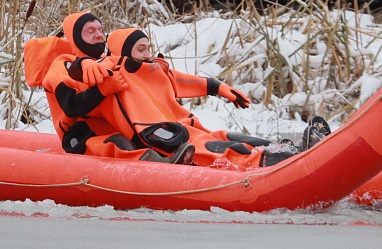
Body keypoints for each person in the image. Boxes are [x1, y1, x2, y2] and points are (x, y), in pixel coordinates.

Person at [89, 28, 330, 168]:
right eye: (141, 49)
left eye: (148, 48)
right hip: (165, 140)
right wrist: (84, 64)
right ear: (121, 50)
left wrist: (219, 88)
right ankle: (294, 163)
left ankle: (297, 148)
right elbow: (71, 74)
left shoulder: (153, 69)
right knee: (232, 149)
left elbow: (182, 80)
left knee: (232, 137)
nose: (148, 54)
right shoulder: (108, 70)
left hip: (188, 129)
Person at [23, 12, 194, 164]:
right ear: (75, 37)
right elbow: (71, 107)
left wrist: (150, 69)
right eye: (91, 32)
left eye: (100, 30)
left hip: (115, 126)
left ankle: (172, 157)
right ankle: (161, 168)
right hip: (81, 136)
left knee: (141, 135)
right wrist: (101, 91)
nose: (99, 35)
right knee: (118, 142)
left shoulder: (107, 60)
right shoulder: (61, 66)